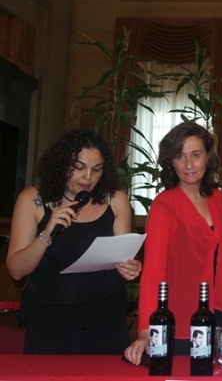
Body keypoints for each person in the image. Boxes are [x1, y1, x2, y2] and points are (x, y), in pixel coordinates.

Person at [124, 122, 222, 365]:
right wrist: (145, 331)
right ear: (171, 162)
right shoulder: (163, 205)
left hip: (220, 310)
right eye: (180, 156)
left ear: (208, 157)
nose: (188, 165)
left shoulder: (217, 198)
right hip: (183, 317)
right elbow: (153, 272)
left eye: (195, 155)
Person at [6, 129, 142, 354]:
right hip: (50, 320)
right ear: (61, 165)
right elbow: (16, 271)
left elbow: (122, 257)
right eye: (79, 167)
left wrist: (129, 268)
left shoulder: (115, 199)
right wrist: (47, 234)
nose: (88, 177)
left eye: (97, 169)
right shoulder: (32, 200)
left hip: (106, 317)